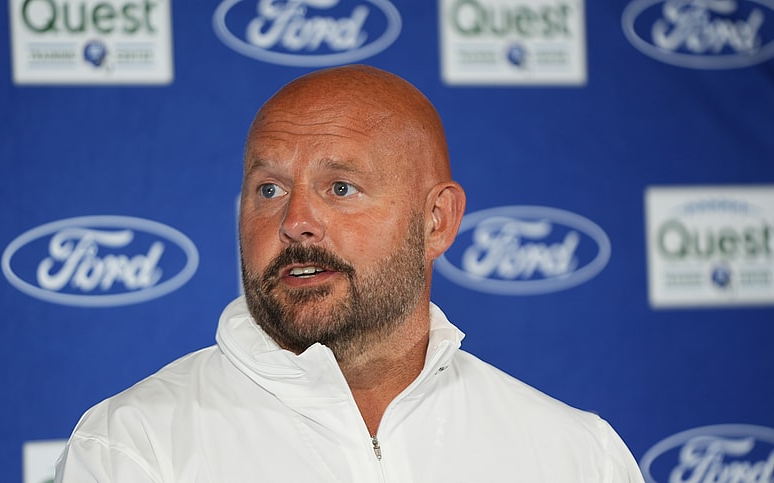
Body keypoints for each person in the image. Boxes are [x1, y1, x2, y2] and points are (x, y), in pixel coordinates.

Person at [55, 65, 645, 482]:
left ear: (436, 220)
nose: (295, 221)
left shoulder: (575, 456)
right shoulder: (132, 449)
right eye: (269, 188)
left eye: (340, 187)